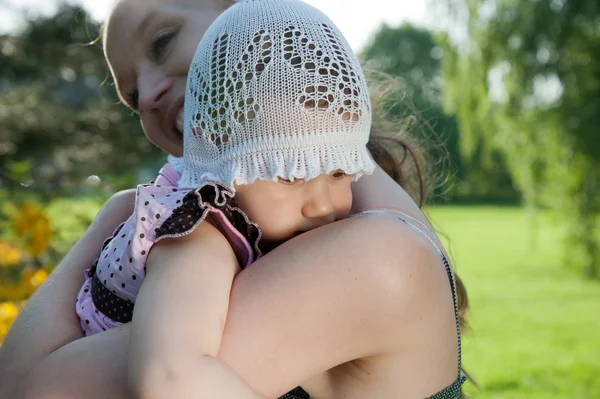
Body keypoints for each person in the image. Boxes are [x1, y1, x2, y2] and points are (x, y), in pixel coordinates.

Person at [0, 0, 469, 398]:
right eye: (131, 94)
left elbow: (34, 387)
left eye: (161, 41)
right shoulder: (194, 223)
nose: (146, 95)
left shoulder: (371, 254)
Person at [74, 2, 377, 396]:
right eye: (287, 173)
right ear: (218, 151)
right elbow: (169, 378)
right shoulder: (199, 233)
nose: (323, 206)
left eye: (339, 172)